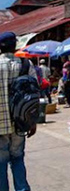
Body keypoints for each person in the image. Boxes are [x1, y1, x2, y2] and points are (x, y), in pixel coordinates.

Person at [0, 32, 38, 190]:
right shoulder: (26, 64)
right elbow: (35, 93)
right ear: (15, 45)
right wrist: (32, 121)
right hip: (20, 122)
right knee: (17, 159)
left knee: (1, 164)